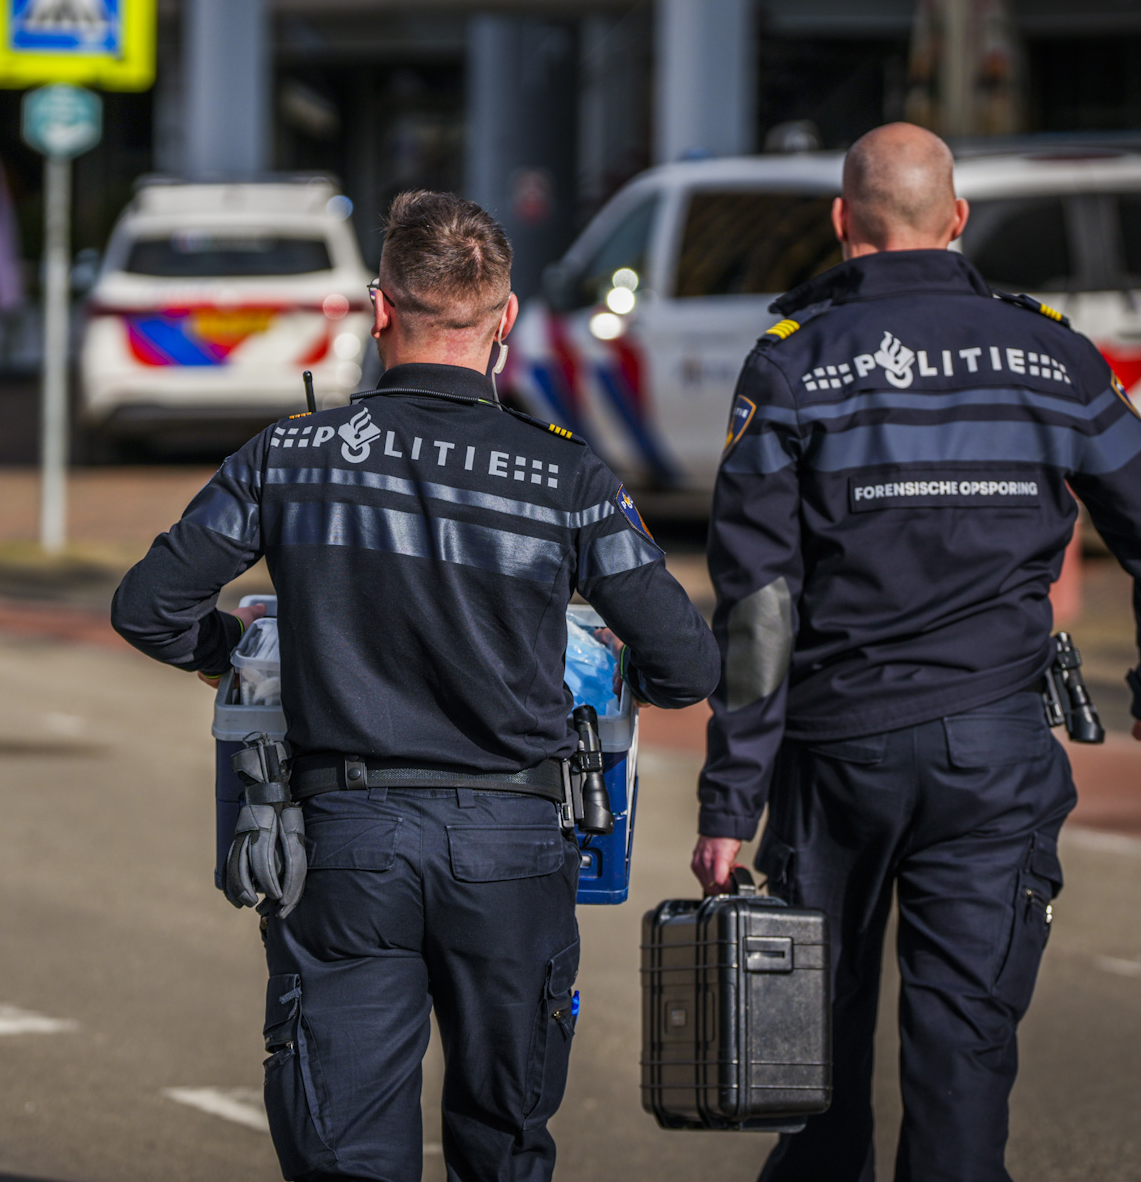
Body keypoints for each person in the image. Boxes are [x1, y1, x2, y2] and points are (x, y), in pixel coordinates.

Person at [112, 190, 718, 1182]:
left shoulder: (290, 456)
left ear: (377, 308)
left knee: (346, 1150)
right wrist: (594, 663)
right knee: (504, 1141)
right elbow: (688, 665)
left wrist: (246, 648)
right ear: (506, 318)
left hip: (346, 844)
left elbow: (148, 607)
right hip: (515, 848)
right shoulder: (565, 477)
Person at [693, 123, 1141, 1181]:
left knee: (813, 1064)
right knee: (962, 1060)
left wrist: (728, 801)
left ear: (842, 224)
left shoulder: (795, 361)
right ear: (958, 217)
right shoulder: (1051, 354)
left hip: (837, 760)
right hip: (994, 752)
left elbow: (757, 604)